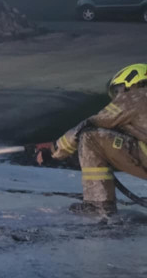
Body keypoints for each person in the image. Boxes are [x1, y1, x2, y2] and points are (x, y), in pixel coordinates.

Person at [50, 64, 147, 216]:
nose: (118, 96)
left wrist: (57, 148)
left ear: (131, 82)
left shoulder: (135, 96)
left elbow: (93, 123)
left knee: (90, 136)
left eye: (118, 90)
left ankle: (98, 205)